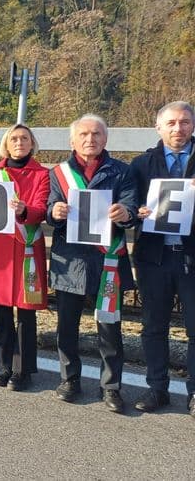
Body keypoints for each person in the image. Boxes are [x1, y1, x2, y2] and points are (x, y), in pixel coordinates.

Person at [47, 114, 137, 414]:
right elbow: (49, 206)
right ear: (72, 141)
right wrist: (54, 212)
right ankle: (69, 378)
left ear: (105, 139)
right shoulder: (58, 173)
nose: (90, 139)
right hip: (70, 260)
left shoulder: (122, 171)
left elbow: (132, 205)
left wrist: (125, 212)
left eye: (96, 134)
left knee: (109, 328)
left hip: (107, 260)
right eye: (84, 134)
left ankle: (111, 385)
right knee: (66, 326)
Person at [0, 124, 49, 390]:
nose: (19, 142)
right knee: (1, 309)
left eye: (24, 138)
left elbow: (41, 208)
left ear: (32, 143)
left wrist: (25, 209)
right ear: (6, 143)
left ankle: (22, 369)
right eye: (14, 138)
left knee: (26, 311)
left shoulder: (42, 174)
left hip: (27, 247)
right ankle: (4, 365)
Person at [130, 101, 195, 416]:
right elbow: (127, 205)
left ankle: (194, 392)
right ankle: (157, 388)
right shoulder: (142, 163)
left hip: (191, 257)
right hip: (154, 257)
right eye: (171, 123)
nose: (178, 128)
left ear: (193, 125)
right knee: (154, 327)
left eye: (184, 122)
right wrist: (136, 212)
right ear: (158, 128)